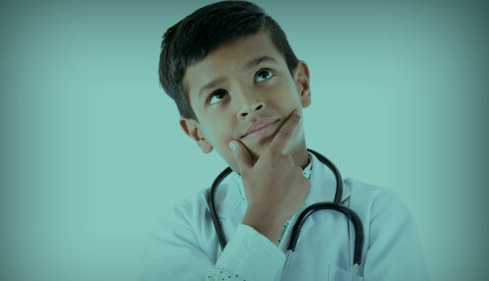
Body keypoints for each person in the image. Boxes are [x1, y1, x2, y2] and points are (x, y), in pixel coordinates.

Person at [140, 1, 430, 280]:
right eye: (218, 95)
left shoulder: (376, 213)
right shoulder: (182, 231)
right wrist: (263, 219)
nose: (249, 104)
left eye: (263, 74)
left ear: (301, 83)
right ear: (197, 133)